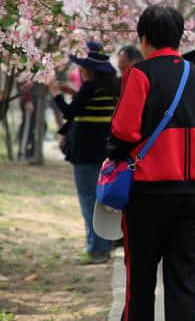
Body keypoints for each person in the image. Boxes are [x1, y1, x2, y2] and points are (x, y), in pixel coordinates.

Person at [106, 5, 195, 320]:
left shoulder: (139, 73)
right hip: (193, 193)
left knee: (139, 283)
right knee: (184, 286)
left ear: (143, 38)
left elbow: (124, 129)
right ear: (179, 38)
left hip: (148, 194)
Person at [48, 41, 118, 264]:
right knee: (102, 202)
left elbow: (69, 112)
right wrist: (74, 92)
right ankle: (104, 246)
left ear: (87, 68)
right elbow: (90, 106)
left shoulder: (90, 87)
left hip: (85, 153)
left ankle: (95, 249)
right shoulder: (112, 86)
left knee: (88, 200)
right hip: (106, 152)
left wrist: (56, 94)